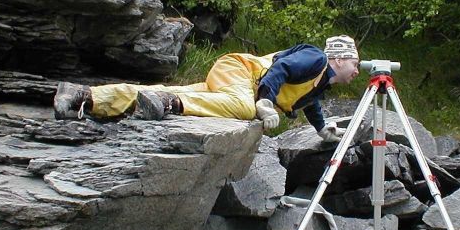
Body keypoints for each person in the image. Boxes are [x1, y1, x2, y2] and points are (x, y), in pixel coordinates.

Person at [53, 35, 360, 142]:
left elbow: (310, 101)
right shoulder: (317, 58)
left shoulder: (320, 82)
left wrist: (322, 130)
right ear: (340, 57)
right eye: (355, 63)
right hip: (240, 73)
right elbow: (281, 70)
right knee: (244, 110)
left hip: (234, 83)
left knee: (179, 92)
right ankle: (169, 104)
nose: (358, 71)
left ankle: (84, 96)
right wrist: (265, 102)